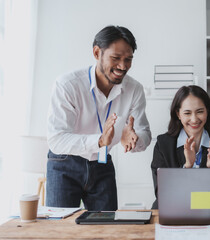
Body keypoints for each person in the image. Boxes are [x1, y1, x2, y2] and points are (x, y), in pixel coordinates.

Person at [46, 25, 151, 211]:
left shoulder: (134, 89)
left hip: (102, 164)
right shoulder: (68, 85)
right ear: (97, 53)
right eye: (116, 58)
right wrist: (100, 141)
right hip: (64, 163)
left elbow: (145, 133)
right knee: (60, 229)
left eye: (128, 60)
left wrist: (134, 138)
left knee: (107, 228)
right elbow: (56, 139)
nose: (123, 66)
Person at [151, 85, 210, 209]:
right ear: (178, 114)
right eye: (187, 113)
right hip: (171, 212)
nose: (194, 119)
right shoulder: (163, 144)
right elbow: (162, 194)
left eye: (200, 112)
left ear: (207, 111)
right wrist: (187, 166)